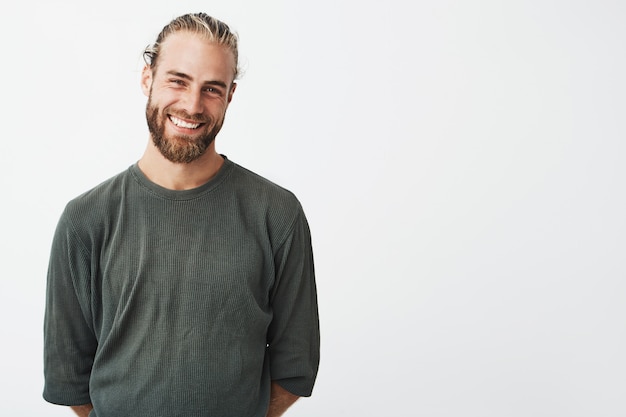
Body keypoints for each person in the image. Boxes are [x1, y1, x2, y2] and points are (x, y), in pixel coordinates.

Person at [43, 12, 320, 417]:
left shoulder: (276, 214)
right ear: (147, 78)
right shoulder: (85, 220)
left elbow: (295, 366)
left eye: (212, 88)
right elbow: (69, 375)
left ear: (230, 96)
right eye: (178, 80)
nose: (192, 105)